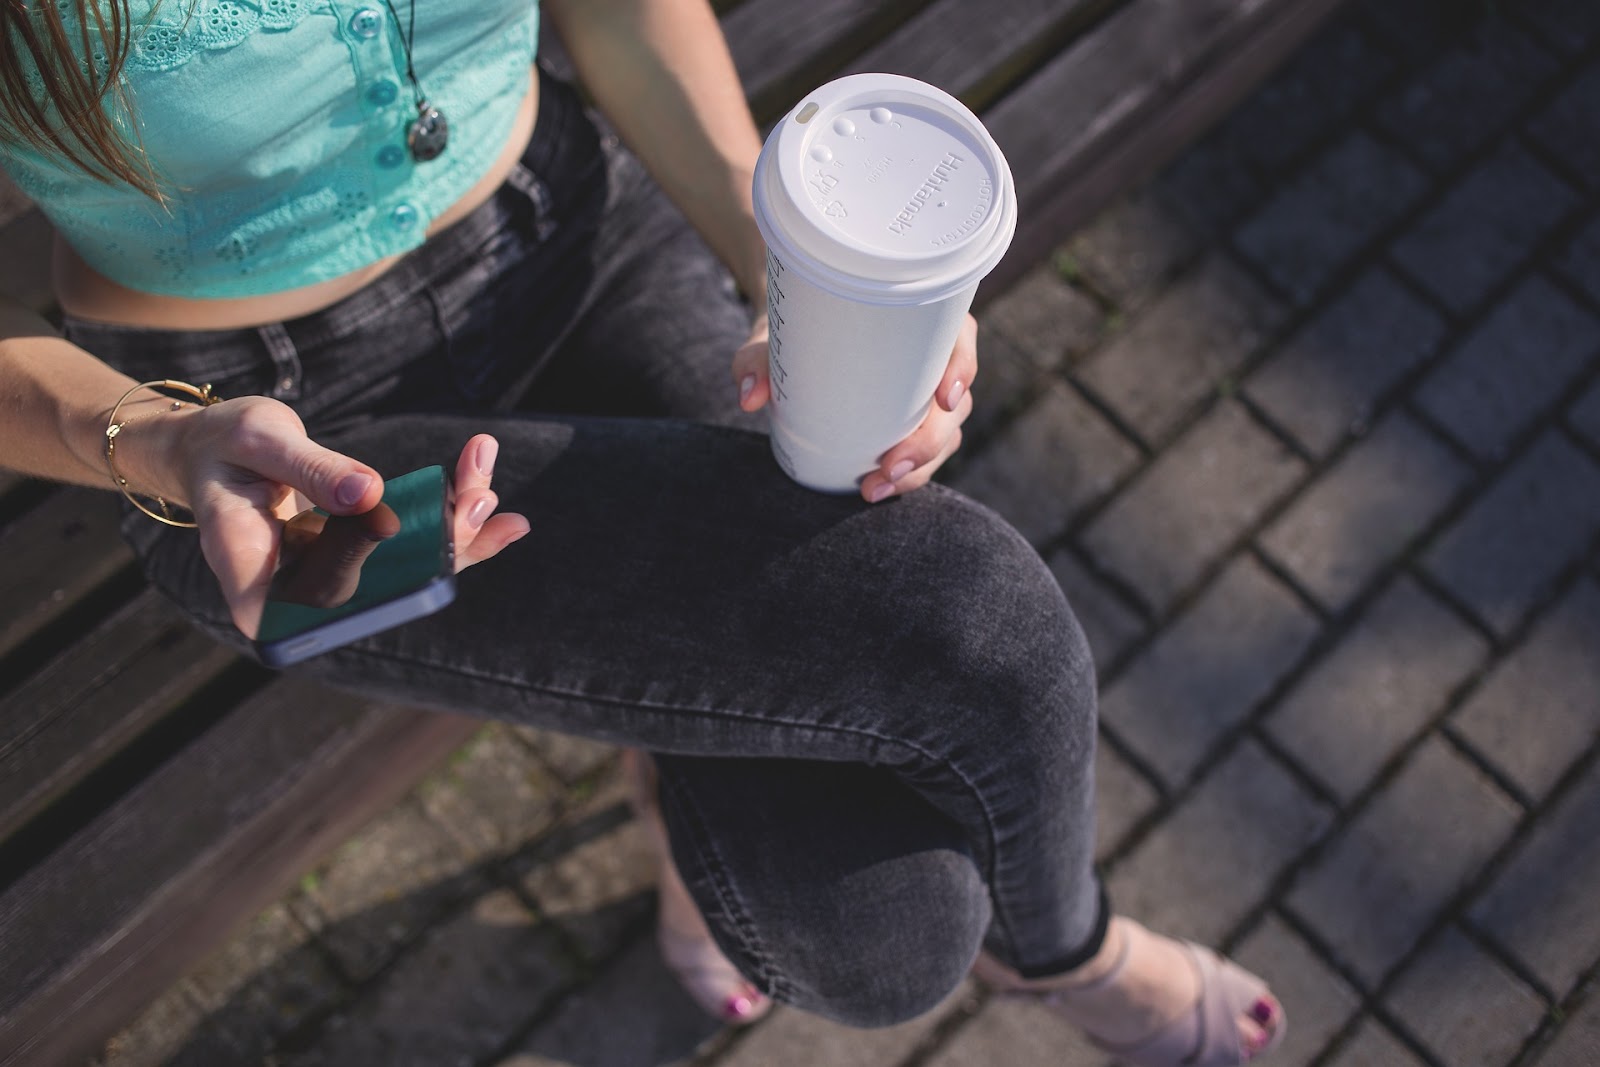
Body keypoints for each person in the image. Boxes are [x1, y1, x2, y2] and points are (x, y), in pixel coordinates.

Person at [0, 0, 1286, 1062]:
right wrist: (148, 439)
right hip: (264, 439)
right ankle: (1065, 949)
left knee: (879, 915)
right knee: (958, 655)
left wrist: (796, 271)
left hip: (571, 233)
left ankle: (713, 760)